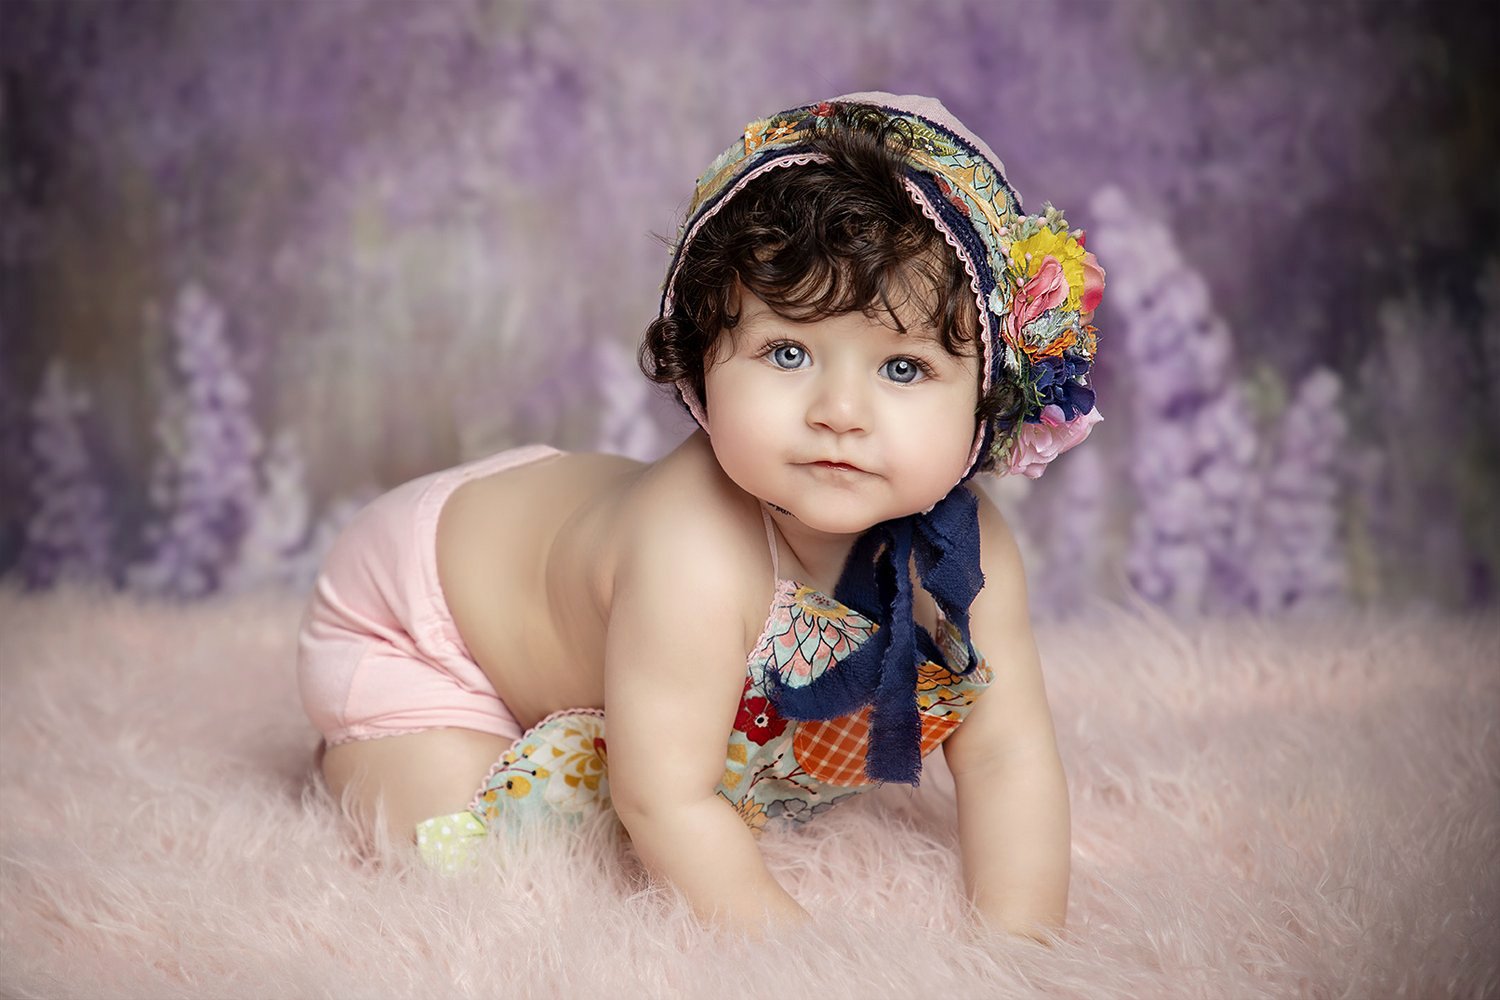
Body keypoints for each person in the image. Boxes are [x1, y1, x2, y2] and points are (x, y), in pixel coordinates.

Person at [296, 92, 1104, 942]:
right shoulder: (695, 554)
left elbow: (1007, 753)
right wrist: (818, 964)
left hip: (556, 532)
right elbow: (666, 801)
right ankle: (354, 748)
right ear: (700, 359)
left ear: (988, 401)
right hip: (425, 617)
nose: (839, 410)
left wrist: (1019, 951)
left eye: (902, 369)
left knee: (647, 756)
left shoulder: (969, 559)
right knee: (488, 851)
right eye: (787, 352)